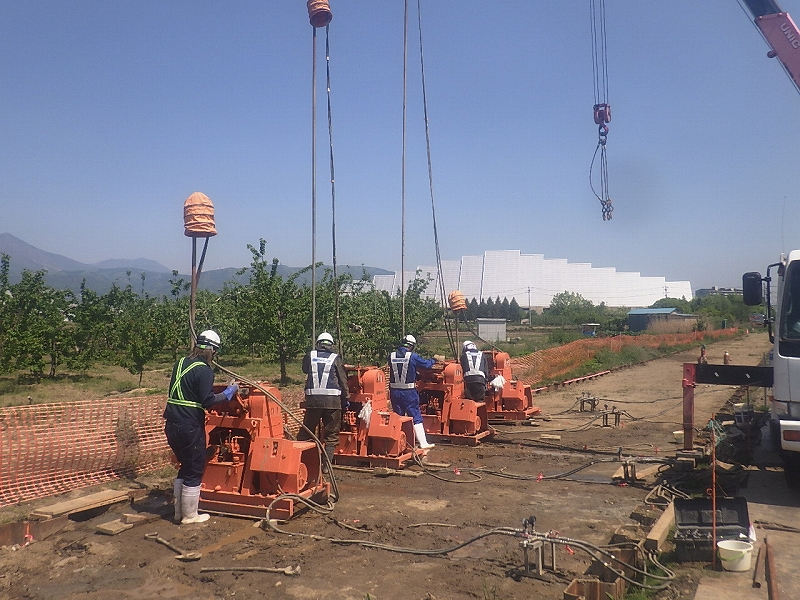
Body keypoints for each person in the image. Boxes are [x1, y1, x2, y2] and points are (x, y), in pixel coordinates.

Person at [164, 330, 238, 525]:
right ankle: (190, 516)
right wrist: (229, 392)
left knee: (185, 466)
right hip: (189, 426)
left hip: (171, 424)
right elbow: (207, 401)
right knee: (195, 469)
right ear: (212, 350)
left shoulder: (180, 363)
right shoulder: (205, 370)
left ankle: (178, 513)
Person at [298, 332, 350, 472]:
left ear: (318, 344)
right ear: (331, 344)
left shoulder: (311, 355)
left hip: (313, 402)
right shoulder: (335, 358)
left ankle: (302, 461)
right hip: (333, 403)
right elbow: (343, 380)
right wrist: (346, 399)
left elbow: (305, 369)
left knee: (306, 432)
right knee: (331, 435)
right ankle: (326, 467)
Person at [388, 334, 437, 449]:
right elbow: (426, 364)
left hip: (394, 392)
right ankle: (423, 443)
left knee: (398, 416)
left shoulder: (390, 356)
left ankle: (399, 442)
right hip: (408, 392)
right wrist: (434, 359)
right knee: (415, 416)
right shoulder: (412, 357)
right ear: (411, 346)